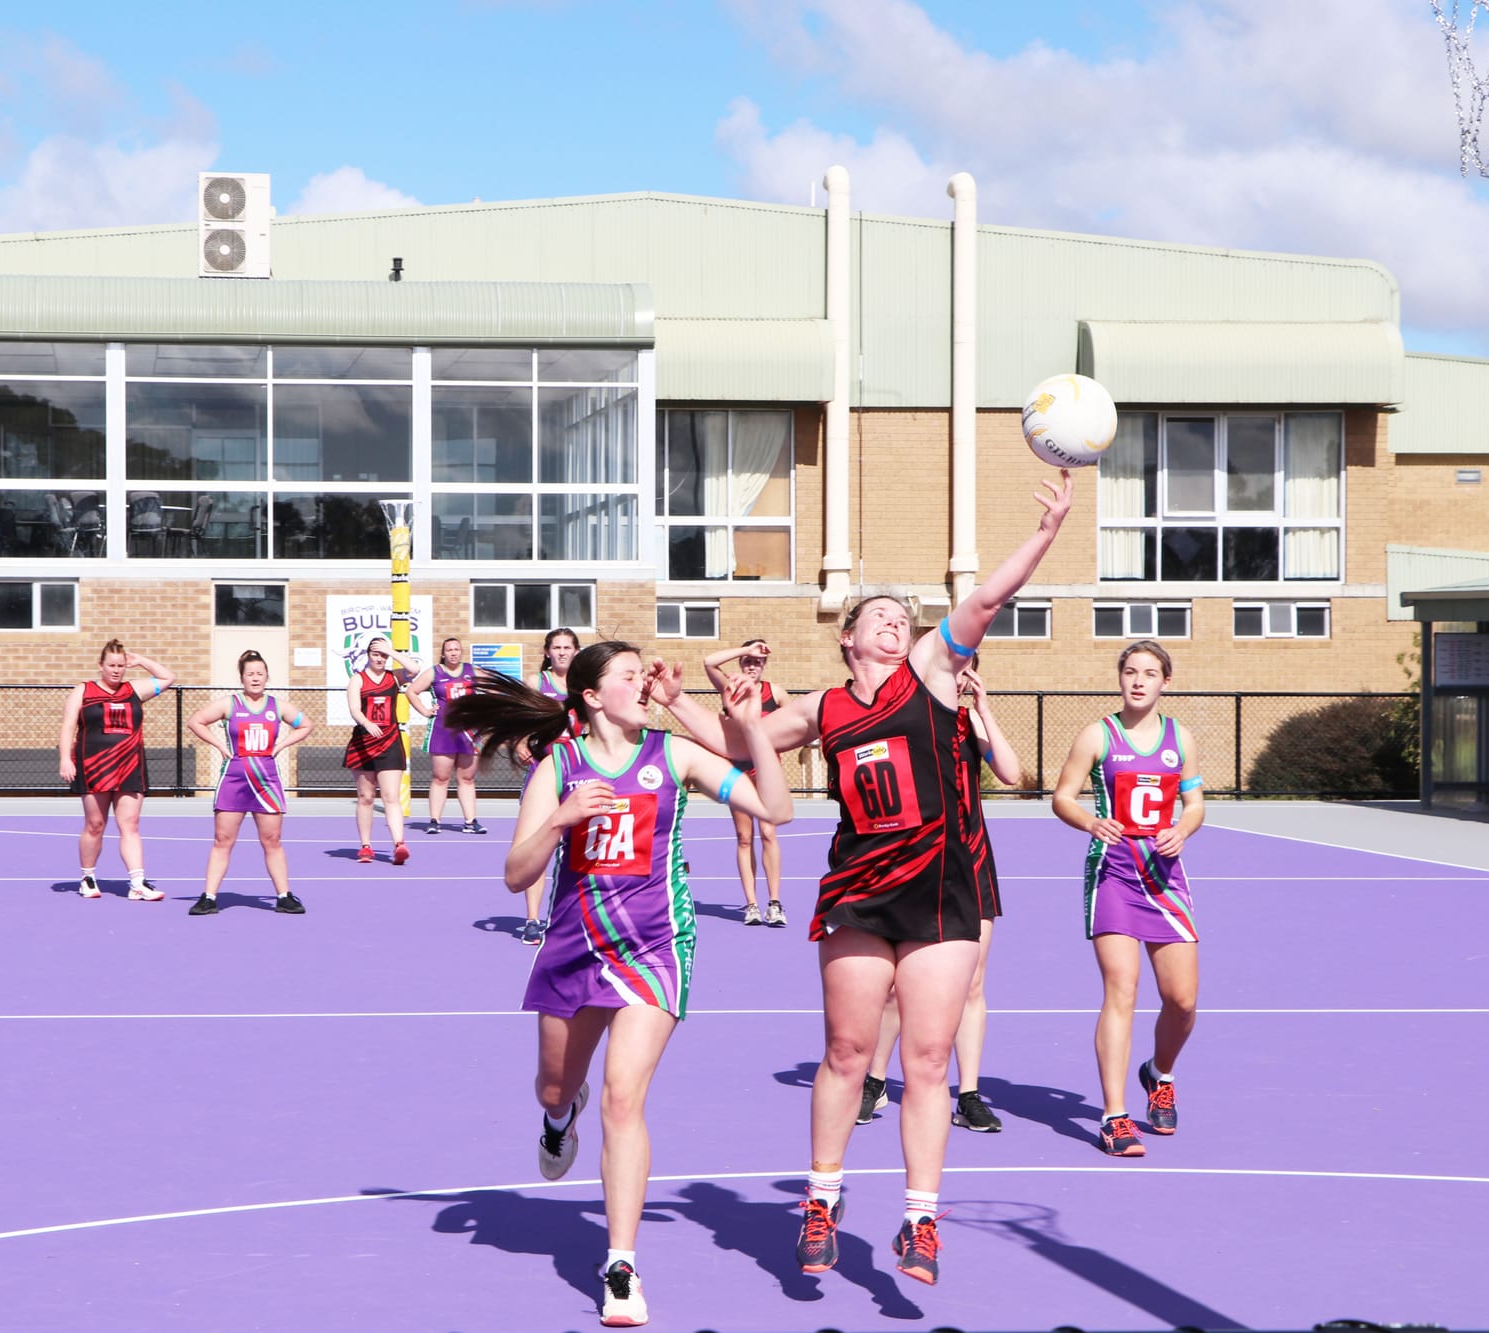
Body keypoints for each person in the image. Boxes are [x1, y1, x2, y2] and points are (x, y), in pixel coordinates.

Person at [676, 471, 1072, 1286]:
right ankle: (820, 1198)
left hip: (940, 890)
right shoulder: (824, 708)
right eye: (880, 617)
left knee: (926, 1058)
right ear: (849, 634)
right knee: (849, 1050)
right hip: (858, 887)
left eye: (903, 618)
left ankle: (921, 1220)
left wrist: (1047, 532)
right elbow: (732, 737)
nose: (897, 623)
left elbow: (987, 601)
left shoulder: (929, 672)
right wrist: (672, 702)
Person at [446, 644, 792, 1328]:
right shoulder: (560, 768)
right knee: (555, 1086)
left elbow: (774, 808)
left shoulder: (675, 755)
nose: (645, 682)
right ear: (594, 697)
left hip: (657, 944)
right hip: (576, 945)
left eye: (645, 672)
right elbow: (517, 875)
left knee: (623, 1096)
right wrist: (561, 819)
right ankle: (556, 1114)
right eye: (629, 676)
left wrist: (750, 726)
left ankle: (621, 1264)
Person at [1049, 639, 1205, 1160]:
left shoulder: (1179, 737)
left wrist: (1184, 828)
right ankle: (1114, 1116)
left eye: (1150, 673)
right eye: (1131, 671)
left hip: (1164, 877)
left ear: (1165, 682)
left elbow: (1194, 802)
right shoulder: (1098, 734)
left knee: (1182, 1001)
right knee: (1123, 987)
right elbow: (1062, 796)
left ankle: (1158, 1073)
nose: (1139, 680)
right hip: (1113, 872)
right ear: (1120, 678)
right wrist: (1090, 820)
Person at [857, 655, 1023, 1135]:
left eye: (967, 665)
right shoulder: (903, 719)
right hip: (913, 862)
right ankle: (875, 1079)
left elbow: (1011, 773)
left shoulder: (968, 722)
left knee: (972, 983)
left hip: (969, 860)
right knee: (894, 986)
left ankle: (967, 1094)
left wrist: (984, 708)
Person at [186, 649, 314, 916]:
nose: (255, 678)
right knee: (223, 839)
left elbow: (306, 725)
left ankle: (283, 896)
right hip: (234, 778)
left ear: (267, 676)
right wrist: (220, 745)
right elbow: (196, 721)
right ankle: (209, 897)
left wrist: (281, 746)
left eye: (260, 673)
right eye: (250, 674)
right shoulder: (230, 704)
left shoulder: (276, 706)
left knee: (272, 839)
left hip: (266, 780)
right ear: (242, 678)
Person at [59, 640, 176, 901]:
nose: (116, 670)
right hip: (93, 765)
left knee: (130, 824)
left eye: (121, 666)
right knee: (95, 824)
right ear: (101, 666)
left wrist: (141, 660)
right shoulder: (83, 690)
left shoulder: (135, 689)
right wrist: (65, 759)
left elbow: (168, 677)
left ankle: (137, 883)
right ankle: (87, 877)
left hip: (129, 765)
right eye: (111, 665)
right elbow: (68, 726)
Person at [703, 639, 795, 926]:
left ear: (765, 665)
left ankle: (775, 903)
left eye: (757, 661)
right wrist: (746, 649)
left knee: (769, 833)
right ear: (741, 664)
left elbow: (793, 724)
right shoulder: (730, 688)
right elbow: (709, 662)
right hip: (738, 773)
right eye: (747, 662)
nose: (752, 665)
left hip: (766, 773)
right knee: (744, 838)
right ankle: (751, 905)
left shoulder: (775, 693)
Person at [515, 628, 581, 945]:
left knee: (581, 851)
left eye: (568, 647)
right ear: (547, 652)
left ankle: (574, 917)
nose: (562, 652)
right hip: (544, 773)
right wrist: (518, 742)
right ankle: (532, 919)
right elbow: (516, 719)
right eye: (556, 647)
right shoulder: (535, 683)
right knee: (538, 849)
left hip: (580, 774)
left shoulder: (588, 685)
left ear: (577, 652)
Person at [344, 638, 430, 865]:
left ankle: (399, 843)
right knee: (366, 797)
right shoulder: (358, 679)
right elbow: (354, 708)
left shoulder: (394, 677)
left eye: (382, 655)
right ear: (368, 655)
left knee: (391, 796)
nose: (379, 658)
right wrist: (366, 722)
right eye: (375, 654)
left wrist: (391, 650)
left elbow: (415, 669)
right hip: (364, 742)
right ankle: (365, 846)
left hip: (389, 742)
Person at [406, 637, 488, 835]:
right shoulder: (435, 672)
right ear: (443, 653)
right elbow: (411, 691)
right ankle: (435, 820)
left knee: (467, 778)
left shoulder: (472, 671)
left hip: (469, 731)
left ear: (461, 652)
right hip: (443, 729)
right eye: (449, 650)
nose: (453, 653)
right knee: (441, 777)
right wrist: (425, 711)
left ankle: (470, 821)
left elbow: (493, 688)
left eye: (457, 649)